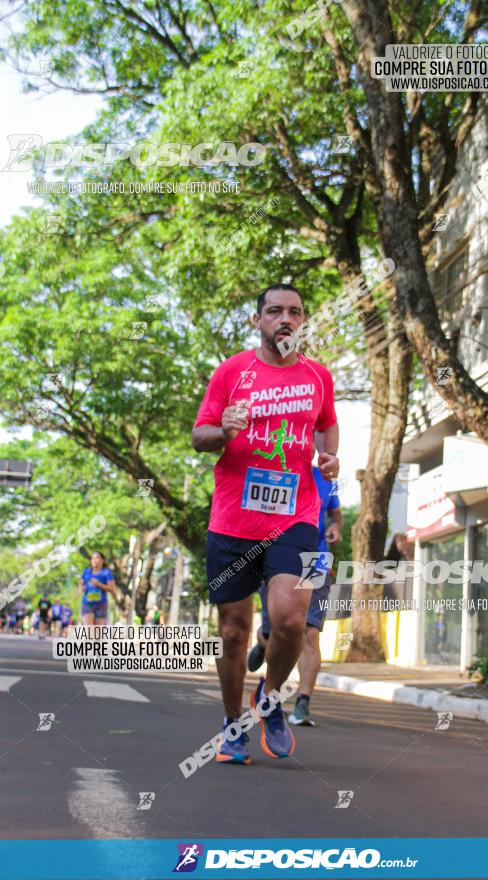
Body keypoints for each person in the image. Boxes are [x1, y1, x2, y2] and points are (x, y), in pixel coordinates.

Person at [192, 284, 339, 765]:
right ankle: (233, 724)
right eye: (275, 311)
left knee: (292, 619)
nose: (286, 319)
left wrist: (330, 454)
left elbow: (328, 423)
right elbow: (200, 436)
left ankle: (270, 698)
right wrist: (224, 430)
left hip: (296, 516)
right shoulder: (232, 372)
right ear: (258, 320)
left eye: (295, 312)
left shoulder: (318, 377)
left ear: (303, 322)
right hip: (233, 519)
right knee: (234, 633)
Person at [248, 459, 343, 726]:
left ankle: (303, 701)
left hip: (317, 559)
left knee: (310, 632)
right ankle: (262, 640)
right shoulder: (271, 472)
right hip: (276, 559)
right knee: (276, 629)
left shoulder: (325, 478)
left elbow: (336, 515)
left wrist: (335, 527)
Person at [79, 552, 116, 633]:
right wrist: (82, 588)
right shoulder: (87, 571)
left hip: (101, 605)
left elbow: (112, 589)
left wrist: (98, 584)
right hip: (87, 603)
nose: (94, 560)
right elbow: (81, 584)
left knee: (98, 634)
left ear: (102, 560)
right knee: (88, 630)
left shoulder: (106, 573)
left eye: (97, 557)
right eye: (93, 558)